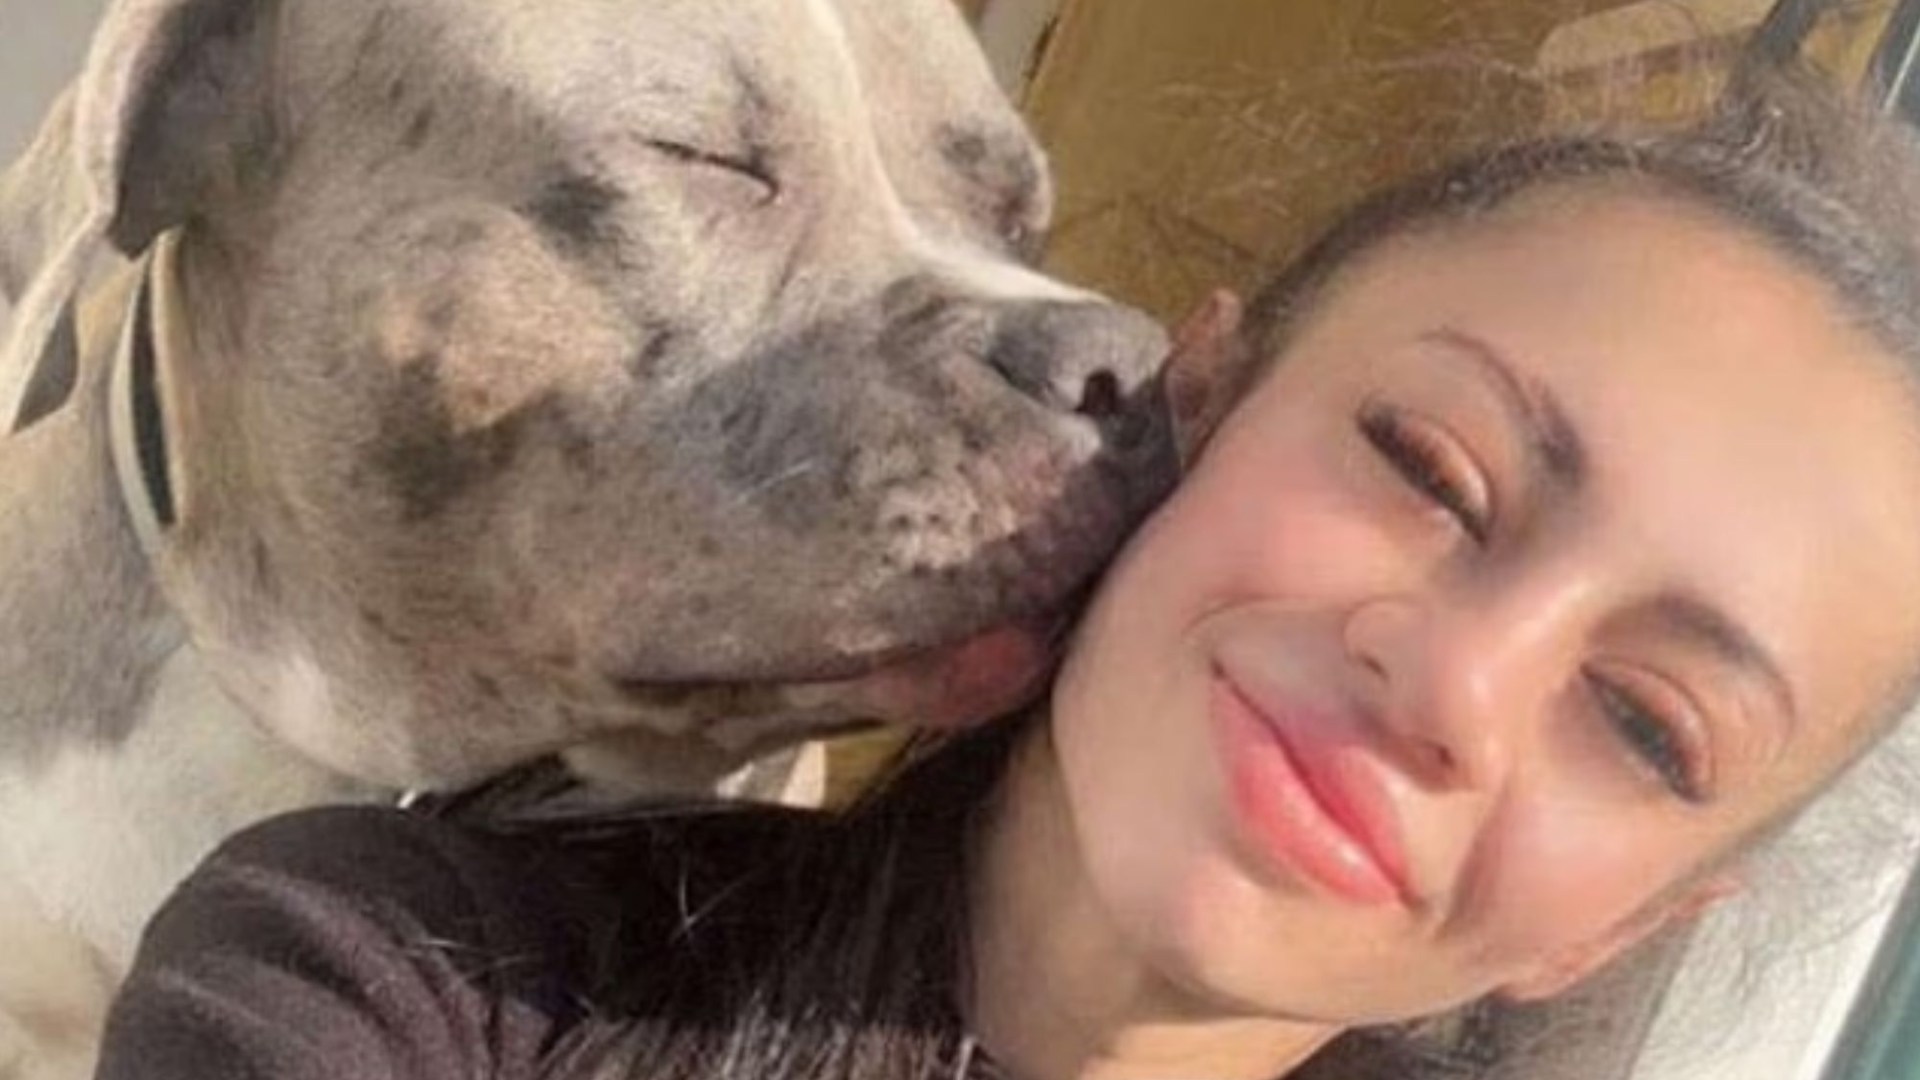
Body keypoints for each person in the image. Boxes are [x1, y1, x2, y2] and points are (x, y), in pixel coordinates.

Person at [93, 65, 1920, 1080]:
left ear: (1621, 930)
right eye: (1431, 467)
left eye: (1649, 724)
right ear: (1195, 402)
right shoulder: (399, 984)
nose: (1457, 679)